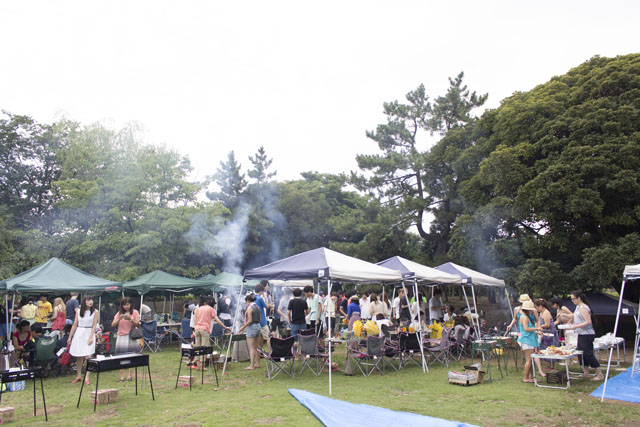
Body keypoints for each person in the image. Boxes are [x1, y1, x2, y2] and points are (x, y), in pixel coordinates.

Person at [568, 290, 604, 381]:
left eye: (573, 299)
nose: (573, 301)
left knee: (588, 353)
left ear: (579, 298)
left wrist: (575, 326)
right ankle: (586, 372)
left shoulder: (583, 308)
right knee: (580, 353)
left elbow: (588, 322)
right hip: (580, 333)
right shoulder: (578, 307)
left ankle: (599, 374)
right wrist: (565, 315)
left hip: (587, 334)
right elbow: (575, 316)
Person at [69, 296, 99, 385]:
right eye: (88, 300)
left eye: (91, 300)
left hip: (89, 332)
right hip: (79, 332)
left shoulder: (95, 312)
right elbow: (75, 324)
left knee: (88, 355)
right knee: (79, 355)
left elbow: (94, 325)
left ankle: (87, 376)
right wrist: (70, 337)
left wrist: (91, 337)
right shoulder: (78, 311)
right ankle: (78, 375)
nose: (90, 302)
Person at [193, 297, 229, 370]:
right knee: (204, 348)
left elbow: (196, 319)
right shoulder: (211, 309)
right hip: (204, 329)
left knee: (197, 348)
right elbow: (217, 320)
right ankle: (202, 366)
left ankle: (198, 365)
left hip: (197, 329)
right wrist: (225, 327)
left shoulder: (199, 308)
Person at [111, 297, 141, 381]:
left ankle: (130, 375)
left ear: (131, 304)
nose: (126, 306)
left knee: (132, 355)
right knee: (121, 356)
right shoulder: (119, 313)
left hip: (132, 336)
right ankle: (121, 376)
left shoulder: (135, 312)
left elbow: (137, 324)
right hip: (121, 336)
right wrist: (119, 318)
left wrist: (130, 319)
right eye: (124, 305)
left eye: (127, 304)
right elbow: (113, 324)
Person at [517, 300, 542, 383]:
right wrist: (536, 328)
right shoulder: (524, 317)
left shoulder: (526, 317)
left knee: (530, 360)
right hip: (527, 340)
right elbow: (526, 329)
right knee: (529, 360)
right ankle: (525, 377)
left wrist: (536, 331)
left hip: (530, 339)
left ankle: (531, 376)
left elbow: (528, 329)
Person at [238, 294, 261, 370]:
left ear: (248, 301)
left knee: (251, 347)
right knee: (257, 346)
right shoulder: (257, 307)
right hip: (258, 326)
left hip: (252, 327)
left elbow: (250, 320)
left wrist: (243, 327)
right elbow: (260, 319)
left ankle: (252, 365)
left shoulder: (250, 308)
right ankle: (257, 363)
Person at [255, 282, 274, 348]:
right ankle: (270, 352)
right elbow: (266, 306)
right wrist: (271, 304)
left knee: (259, 337)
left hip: (256, 321)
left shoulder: (253, 297)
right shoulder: (260, 298)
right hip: (262, 321)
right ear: (261, 291)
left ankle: (261, 352)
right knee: (268, 337)